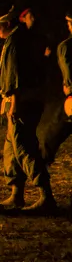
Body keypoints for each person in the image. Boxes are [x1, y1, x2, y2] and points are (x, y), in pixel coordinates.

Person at [0, 6, 54, 210]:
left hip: (22, 102)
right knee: (11, 148)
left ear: (7, 24)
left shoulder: (16, 42)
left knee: (24, 147)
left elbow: (14, 76)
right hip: (19, 100)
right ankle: (16, 194)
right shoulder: (17, 40)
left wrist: (14, 104)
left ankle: (45, 194)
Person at [41, 12, 72, 164]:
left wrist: (69, 86)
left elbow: (67, 70)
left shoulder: (65, 46)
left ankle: (42, 165)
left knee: (53, 135)